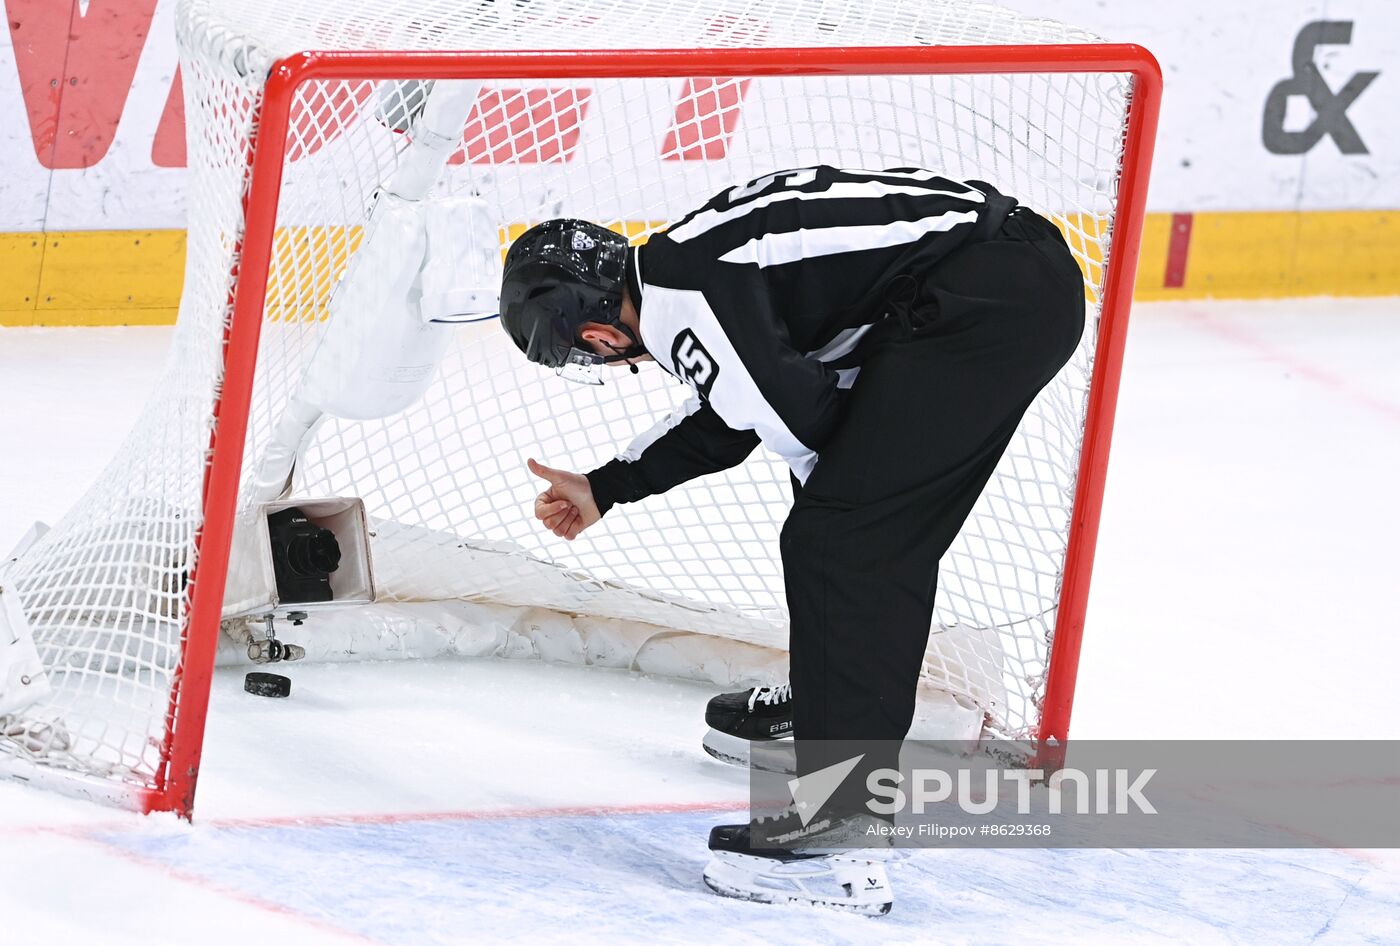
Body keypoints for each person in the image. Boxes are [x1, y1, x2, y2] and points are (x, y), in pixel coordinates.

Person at [498, 166, 1085, 914]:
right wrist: (608, 484)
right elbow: (739, 404)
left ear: (597, 333)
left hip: (983, 301)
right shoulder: (685, 266)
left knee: (843, 540)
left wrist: (854, 507)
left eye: (591, 353)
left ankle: (838, 832)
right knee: (845, 524)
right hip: (996, 282)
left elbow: (790, 421)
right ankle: (830, 714)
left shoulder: (682, 302)